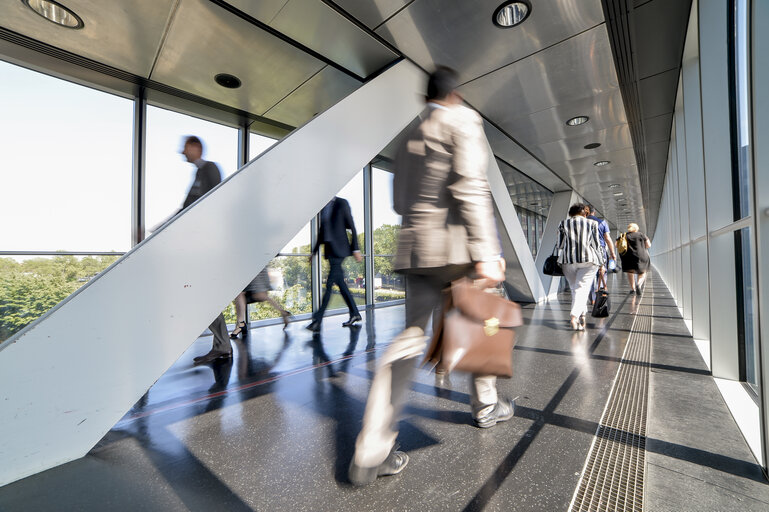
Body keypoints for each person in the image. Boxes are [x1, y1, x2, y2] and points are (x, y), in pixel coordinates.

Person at [348, 66, 510, 486]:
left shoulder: (409, 139)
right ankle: (486, 408)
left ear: (426, 98)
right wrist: (489, 252)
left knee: (408, 342)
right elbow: (471, 185)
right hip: (457, 251)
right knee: (481, 324)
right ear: (454, 94)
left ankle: (372, 447)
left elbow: (400, 201)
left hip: (417, 252)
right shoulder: (463, 120)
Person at [174, 135, 233, 366]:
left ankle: (222, 345)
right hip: (200, 244)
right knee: (202, 295)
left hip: (207, 245)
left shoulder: (209, 169)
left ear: (196, 147)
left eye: (185, 148)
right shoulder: (199, 173)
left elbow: (213, 203)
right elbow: (186, 208)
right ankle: (222, 345)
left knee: (202, 294)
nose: (182, 152)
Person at [305, 196, 363, 332]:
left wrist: (356, 248)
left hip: (340, 250)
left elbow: (352, 226)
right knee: (341, 286)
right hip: (330, 251)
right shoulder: (323, 207)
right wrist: (314, 253)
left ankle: (317, 320)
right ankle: (355, 313)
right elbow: (321, 232)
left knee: (330, 285)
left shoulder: (341, 203)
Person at [557, 203, 605, 331]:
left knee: (575, 289)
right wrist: (602, 263)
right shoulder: (592, 224)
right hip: (589, 260)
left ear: (571, 213)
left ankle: (582, 314)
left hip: (568, 260)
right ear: (585, 213)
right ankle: (574, 317)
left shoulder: (563, 223)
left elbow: (560, 245)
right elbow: (596, 245)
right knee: (581, 288)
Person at [229, 268, 292, 337]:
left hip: (255, 268)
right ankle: (240, 324)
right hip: (250, 268)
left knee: (258, 295)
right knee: (241, 294)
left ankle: (240, 324)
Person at [587, 205, 616, 303]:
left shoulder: (582, 222)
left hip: (587, 252)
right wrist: (612, 253)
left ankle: (592, 298)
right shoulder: (602, 222)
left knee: (589, 274)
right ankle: (601, 294)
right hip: (601, 251)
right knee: (602, 273)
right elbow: (607, 238)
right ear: (594, 212)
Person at [619, 223, 651, 294]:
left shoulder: (624, 235)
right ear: (636, 228)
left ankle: (633, 289)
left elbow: (616, 245)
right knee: (642, 272)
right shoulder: (641, 235)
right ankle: (639, 284)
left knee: (630, 272)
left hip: (628, 257)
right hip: (641, 255)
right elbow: (648, 245)